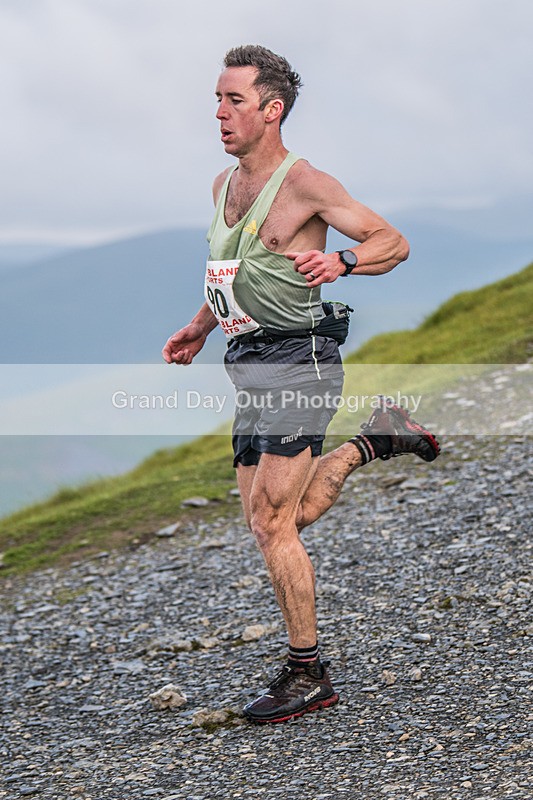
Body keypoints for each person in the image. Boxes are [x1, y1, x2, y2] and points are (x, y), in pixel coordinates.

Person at [162, 45, 440, 724]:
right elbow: (228, 270)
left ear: (271, 109)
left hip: (299, 357)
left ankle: (306, 671)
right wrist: (201, 325)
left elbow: (392, 242)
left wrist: (342, 259)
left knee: (270, 522)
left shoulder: (304, 183)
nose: (220, 114)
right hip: (248, 359)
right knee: (272, 519)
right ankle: (373, 442)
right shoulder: (222, 187)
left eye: (234, 101)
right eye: (217, 100)